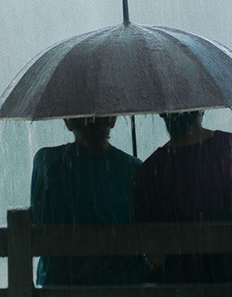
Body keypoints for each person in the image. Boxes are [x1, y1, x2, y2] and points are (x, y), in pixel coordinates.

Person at [134, 110, 232, 283]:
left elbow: (156, 257)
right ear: (201, 109)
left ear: (162, 113)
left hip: (180, 286)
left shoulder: (150, 170)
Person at [30, 116, 148, 285]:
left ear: (68, 122)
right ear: (112, 120)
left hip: (59, 287)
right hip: (122, 287)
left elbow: (37, 222)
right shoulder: (134, 169)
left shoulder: (47, 162)